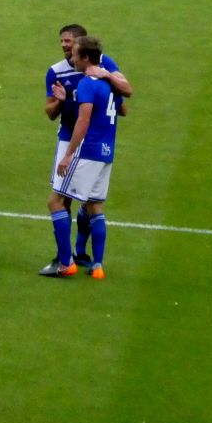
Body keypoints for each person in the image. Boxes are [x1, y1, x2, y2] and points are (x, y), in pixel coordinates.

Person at [44, 24, 131, 269]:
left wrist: (107, 76)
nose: (65, 47)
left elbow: (126, 93)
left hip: (84, 145)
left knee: (60, 200)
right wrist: (60, 102)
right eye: (62, 41)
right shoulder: (56, 72)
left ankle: (68, 260)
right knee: (89, 201)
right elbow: (50, 112)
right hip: (87, 142)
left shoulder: (100, 69)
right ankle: (87, 260)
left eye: (69, 42)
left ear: (82, 50)